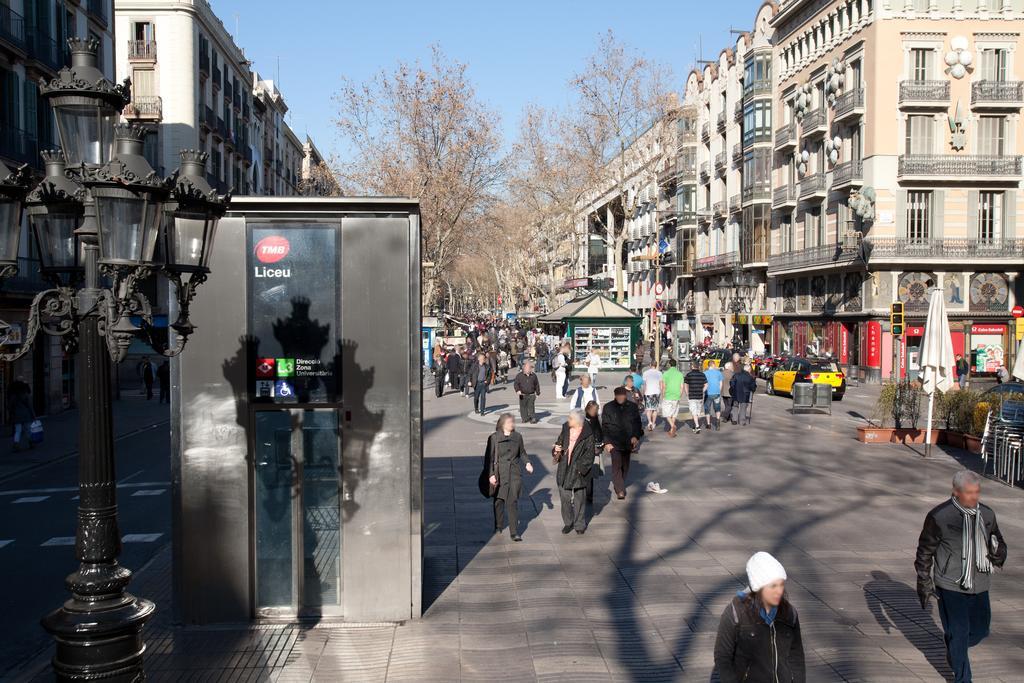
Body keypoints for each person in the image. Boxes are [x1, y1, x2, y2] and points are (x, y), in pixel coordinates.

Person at [915, 470, 1006, 683]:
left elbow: (999, 541)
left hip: (980, 582)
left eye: (977, 492)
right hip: (950, 584)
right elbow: (924, 552)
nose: (974, 497)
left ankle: (955, 649)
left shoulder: (987, 514)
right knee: (960, 631)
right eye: (969, 493)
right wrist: (924, 582)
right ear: (956, 492)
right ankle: (963, 678)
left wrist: (999, 552)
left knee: (980, 630)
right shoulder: (939, 516)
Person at [714, 551, 805, 682]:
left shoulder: (789, 614)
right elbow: (722, 657)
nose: (779, 591)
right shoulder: (735, 613)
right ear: (759, 587)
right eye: (773, 586)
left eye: (781, 584)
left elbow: (796, 657)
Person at [486, 413, 534, 541]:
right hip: (499, 473)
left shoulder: (518, 437)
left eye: (512, 422)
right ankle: (498, 525)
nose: (512, 424)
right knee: (499, 501)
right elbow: (489, 459)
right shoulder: (494, 438)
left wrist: (527, 463)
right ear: (502, 424)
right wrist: (491, 475)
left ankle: (514, 532)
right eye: (509, 422)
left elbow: (522, 452)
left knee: (512, 502)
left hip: (513, 473)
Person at [553, 409, 595, 535]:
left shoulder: (587, 434)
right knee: (565, 498)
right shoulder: (566, 429)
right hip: (564, 468)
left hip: (578, 471)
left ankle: (579, 524)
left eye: (570, 418)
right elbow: (559, 442)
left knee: (579, 499)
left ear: (577, 421)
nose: (568, 420)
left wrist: (580, 469)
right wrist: (556, 449)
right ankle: (568, 522)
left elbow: (590, 454)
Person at [601, 387, 643, 500]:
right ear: (614, 396)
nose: (620, 397)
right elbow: (604, 426)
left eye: (622, 395)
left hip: (628, 441)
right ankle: (620, 489)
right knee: (616, 464)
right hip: (614, 441)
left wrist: (636, 436)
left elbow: (637, 423)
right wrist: (606, 442)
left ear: (626, 395)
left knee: (625, 465)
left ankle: (619, 483)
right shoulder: (608, 407)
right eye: (618, 395)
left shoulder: (632, 407)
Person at [583, 400, 604, 505]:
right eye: (592, 410)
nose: (594, 412)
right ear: (587, 409)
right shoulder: (583, 420)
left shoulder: (596, 419)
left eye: (596, 410)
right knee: (585, 472)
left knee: (590, 474)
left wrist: (600, 445)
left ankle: (589, 495)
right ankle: (585, 493)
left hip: (594, 449)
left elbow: (600, 432)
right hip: (584, 450)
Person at [660, 359, 684, 437]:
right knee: (674, 414)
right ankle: (671, 430)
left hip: (668, 395)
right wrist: (680, 395)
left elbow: (664, 386)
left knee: (666, 413)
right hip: (676, 395)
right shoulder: (680, 374)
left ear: (669, 365)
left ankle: (672, 426)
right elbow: (681, 386)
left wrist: (663, 395)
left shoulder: (665, 374)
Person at [8, 380, 34, 451]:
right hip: (26, 415)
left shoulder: (13, 396)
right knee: (27, 429)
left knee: (17, 430)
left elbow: (10, 407)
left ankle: (16, 443)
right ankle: (31, 442)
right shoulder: (26, 395)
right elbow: (30, 406)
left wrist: (11, 414)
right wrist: (33, 415)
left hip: (17, 415)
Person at [683, 364, 707, 434]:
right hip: (699, 396)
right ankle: (695, 425)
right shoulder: (702, 375)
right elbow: (706, 385)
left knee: (694, 412)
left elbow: (686, 385)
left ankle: (697, 426)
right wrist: (702, 391)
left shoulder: (688, 375)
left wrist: (687, 393)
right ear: (698, 367)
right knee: (697, 412)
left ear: (692, 367)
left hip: (692, 396)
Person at [641, 363, 663, 432]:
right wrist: (661, 391)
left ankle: (649, 422)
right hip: (656, 392)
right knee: (655, 409)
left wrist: (643, 392)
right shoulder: (659, 373)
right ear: (656, 365)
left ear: (650, 365)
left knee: (649, 408)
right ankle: (653, 423)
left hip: (648, 392)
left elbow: (644, 384)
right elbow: (661, 384)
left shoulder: (645, 373)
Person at [703, 362, 725, 431]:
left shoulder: (705, 373)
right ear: (713, 365)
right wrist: (719, 391)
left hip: (708, 393)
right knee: (717, 407)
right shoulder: (718, 373)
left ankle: (708, 424)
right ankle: (718, 421)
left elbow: (704, 384)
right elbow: (721, 383)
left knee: (707, 408)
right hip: (716, 393)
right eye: (715, 365)